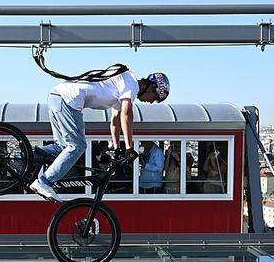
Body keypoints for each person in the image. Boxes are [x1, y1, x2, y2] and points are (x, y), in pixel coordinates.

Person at [29, 70, 170, 201]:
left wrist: (117, 148)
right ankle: (44, 182)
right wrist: (129, 147)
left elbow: (115, 121)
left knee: (62, 147)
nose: (152, 101)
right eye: (155, 97)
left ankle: (25, 157)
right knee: (77, 146)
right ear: (151, 87)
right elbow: (127, 115)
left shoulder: (121, 88)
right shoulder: (131, 83)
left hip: (57, 96)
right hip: (69, 99)